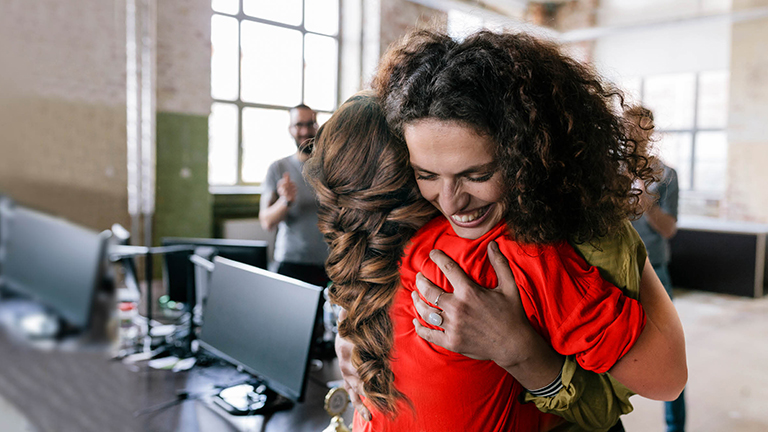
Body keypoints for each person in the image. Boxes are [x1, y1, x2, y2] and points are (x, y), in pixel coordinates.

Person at [306, 69, 683, 432]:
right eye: (428, 174)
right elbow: (657, 382)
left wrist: (349, 322)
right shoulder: (509, 250)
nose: (451, 202)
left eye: (476, 173)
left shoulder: (370, 265)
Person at [627, 107, 686, 432]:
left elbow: (669, 229)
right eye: (629, 129)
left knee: (670, 353)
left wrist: (647, 202)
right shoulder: (610, 172)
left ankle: (675, 427)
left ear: (651, 133)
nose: (634, 135)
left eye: (641, 129)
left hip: (655, 268)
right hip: (618, 267)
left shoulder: (667, 175)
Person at [260, 103, 329, 288]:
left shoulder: (330, 168)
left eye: (310, 124)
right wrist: (286, 201)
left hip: (328, 264)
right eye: (299, 125)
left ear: (317, 127)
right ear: (290, 129)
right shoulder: (278, 168)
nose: (305, 131)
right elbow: (266, 222)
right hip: (291, 262)